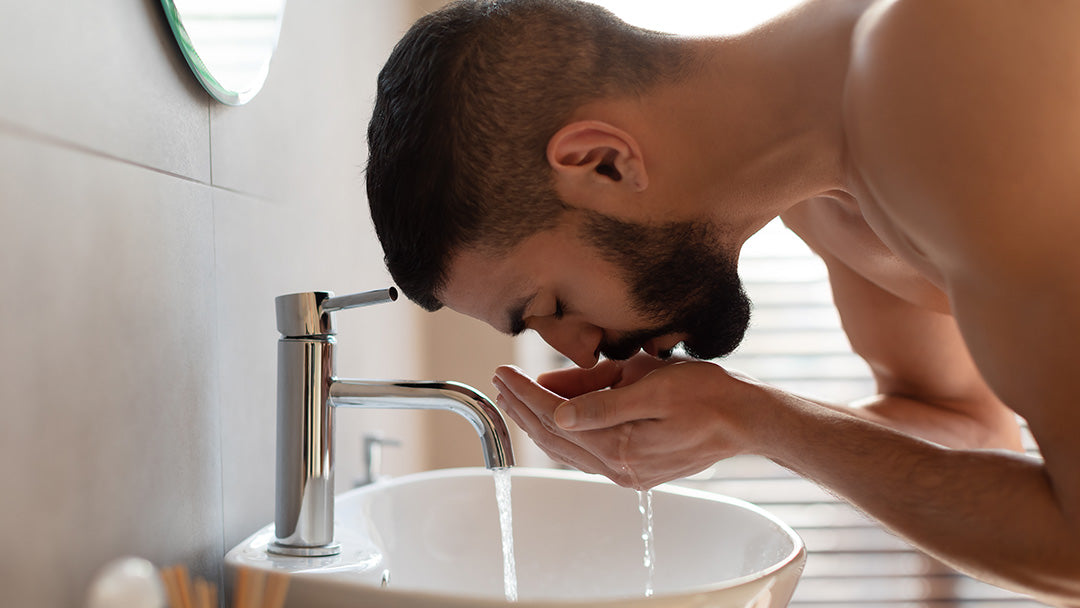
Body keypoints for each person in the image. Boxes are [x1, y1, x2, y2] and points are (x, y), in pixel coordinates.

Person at [364, 0, 1080, 604]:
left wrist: (758, 421)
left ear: (603, 162)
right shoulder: (829, 184)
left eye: (550, 304)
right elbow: (969, 429)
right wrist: (733, 419)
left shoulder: (940, 59)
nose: (581, 349)